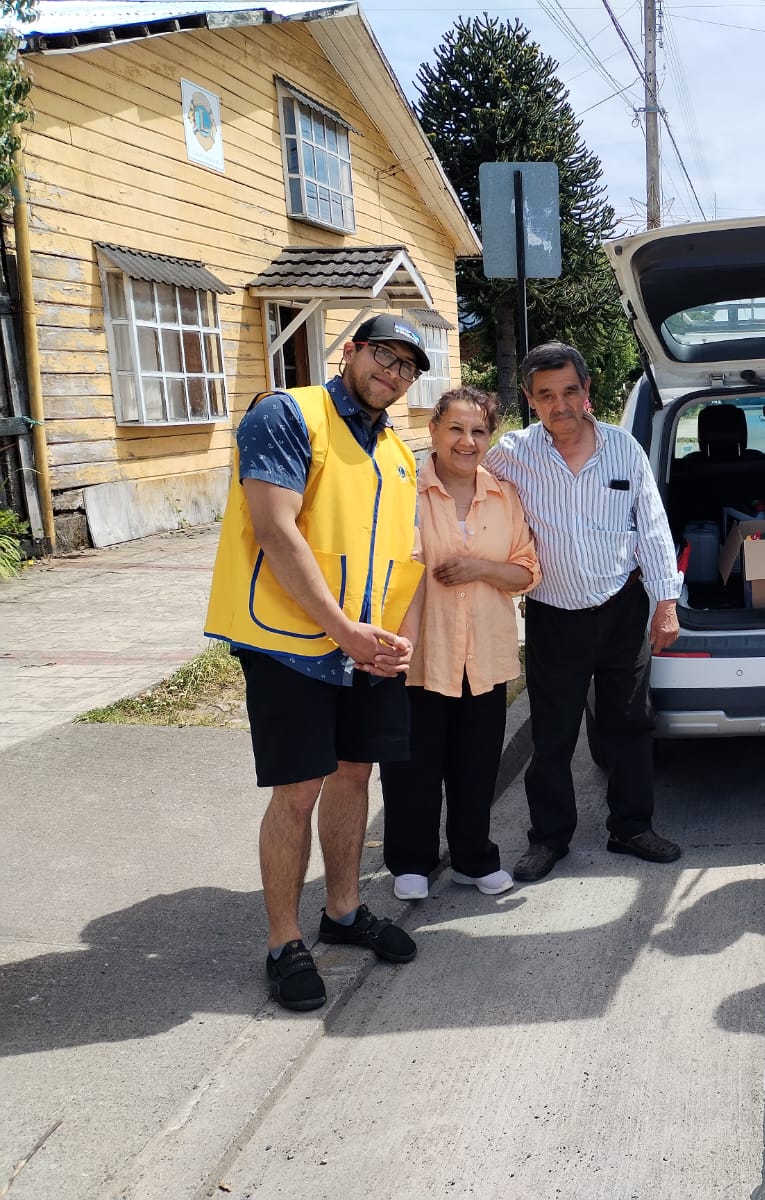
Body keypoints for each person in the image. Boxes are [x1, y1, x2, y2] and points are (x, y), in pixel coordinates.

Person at [205, 314, 430, 1012]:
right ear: (350, 351)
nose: (392, 373)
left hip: (366, 646)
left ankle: (343, 910)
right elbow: (274, 529)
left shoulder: (396, 451)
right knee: (298, 790)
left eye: (407, 366)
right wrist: (342, 631)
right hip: (290, 643)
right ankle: (284, 942)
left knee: (354, 777)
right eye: (383, 355)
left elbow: (402, 555)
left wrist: (395, 638)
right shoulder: (286, 415)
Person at [484, 342, 684, 883]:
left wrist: (666, 604)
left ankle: (631, 827)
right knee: (553, 734)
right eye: (546, 395)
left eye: (570, 391)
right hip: (553, 616)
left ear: (587, 390)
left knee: (629, 725)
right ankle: (549, 837)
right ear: (530, 400)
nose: (561, 405)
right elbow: (463, 479)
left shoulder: (624, 449)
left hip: (622, 611)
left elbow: (653, 528)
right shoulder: (512, 453)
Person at [382, 386, 542, 901]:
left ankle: (473, 860)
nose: (466, 441)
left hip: (485, 654)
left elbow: (527, 571)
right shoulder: (405, 490)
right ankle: (411, 862)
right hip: (421, 651)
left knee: (475, 765)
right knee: (413, 765)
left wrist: (478, 568)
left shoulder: (504, 495)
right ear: (433, 431)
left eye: (477, 431)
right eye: (455, 428)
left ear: (489, 437)